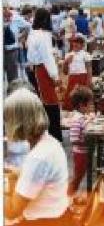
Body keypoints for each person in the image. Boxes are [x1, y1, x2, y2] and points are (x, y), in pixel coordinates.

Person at [4, 88, 69, 223]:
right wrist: (17, 174)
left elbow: (12, 212)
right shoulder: (51, 143)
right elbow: (41, 178)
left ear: (18, 122)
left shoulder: (38, 157)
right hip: (59, 219)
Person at [27, 8, 63, 142]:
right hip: (43, 70)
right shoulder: (42, 35)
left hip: (37, 69)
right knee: (51, 103)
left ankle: (48, 134)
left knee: (45, 103)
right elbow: (47, 57)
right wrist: (55, 76)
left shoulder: (33, 33)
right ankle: (54, 136)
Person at [68, 86, 95, 195]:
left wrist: (88, 120)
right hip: (80, 153)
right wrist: (88, 142)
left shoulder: (82, 117)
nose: (91, 106)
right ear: (81, 105)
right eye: (89, 104)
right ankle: (67, 198)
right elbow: (74, 139)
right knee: (77, 178)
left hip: (84, 152)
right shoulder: (77, 119)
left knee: (81, 176)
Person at [62, 34, 92, 111]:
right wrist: (66, 62)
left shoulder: (85, 55)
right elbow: (65, 72)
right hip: (72, 78)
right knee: (70, 98)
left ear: (82, 45)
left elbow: (89, 68)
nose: (75, 44)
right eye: (74, 42)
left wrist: (89, 81)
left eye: (78, 43)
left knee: (83, 97)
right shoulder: (68, 55)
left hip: (82, 78)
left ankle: (83, 111)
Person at [3, 9, 19, 84]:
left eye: (9, 16)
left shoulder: (14, 22)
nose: (8, 18)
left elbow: (12, 40)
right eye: (5, 16)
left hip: (11, 51)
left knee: (13, 78)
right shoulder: (5, 26)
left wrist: (21, 37)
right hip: (7, 51)